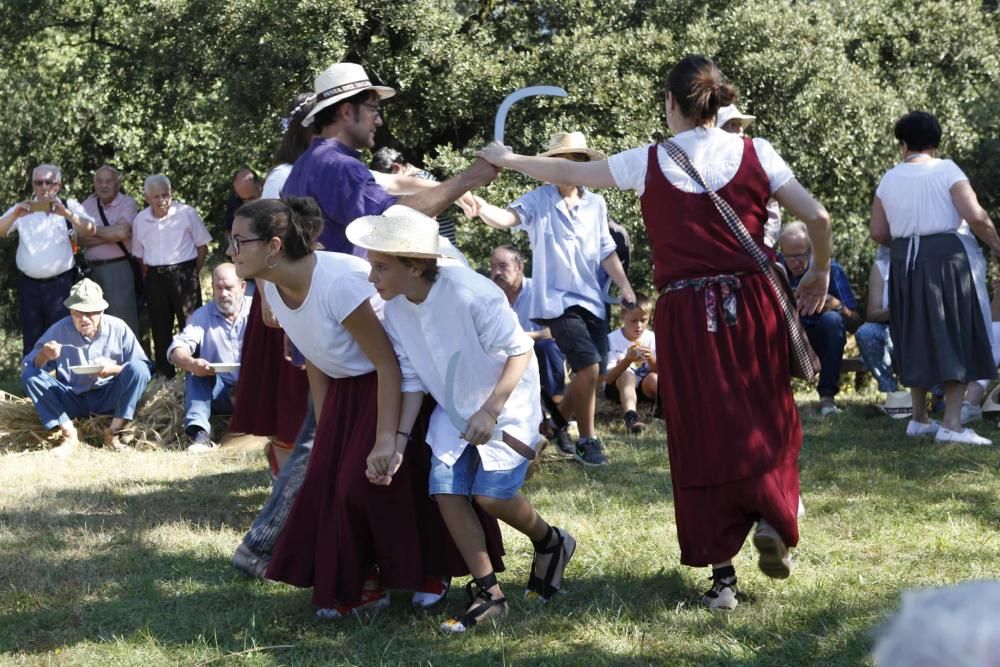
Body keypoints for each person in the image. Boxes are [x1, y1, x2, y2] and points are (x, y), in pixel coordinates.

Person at [478, 54, 834, 612]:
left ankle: (723, 579)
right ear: (718, 103)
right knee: (767, 414)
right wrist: (817, 272)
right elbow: (819, 219)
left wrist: (508, 158)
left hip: (690, 317)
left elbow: (566, 173)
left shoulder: (648, 161)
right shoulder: (755, 152)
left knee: (700, 435)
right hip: (752, 305)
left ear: (671, 103)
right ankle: (772, 511)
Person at [231, 196, 501, 618]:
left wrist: (386, 438)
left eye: (239, 241)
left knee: (378, 485)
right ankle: (364, 584)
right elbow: (316, 357)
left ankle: (435, 567)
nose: (231, 252)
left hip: (393, 384)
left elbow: (388, 363)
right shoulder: (274, 287)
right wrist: (326, 433)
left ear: (273, 246)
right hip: (345, 392)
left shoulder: (339, 283)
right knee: (332, 485)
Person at [347, 207, 575, 634]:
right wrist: (397, 441)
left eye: (380, 266)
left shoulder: (472, 292)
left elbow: (520, 351)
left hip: (506, 406)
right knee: (446, 490)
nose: (371, 277)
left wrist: (491, 409)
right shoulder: (395, 308)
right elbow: (412, 378)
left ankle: (552, 542)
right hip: (453, 412)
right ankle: (489, 593)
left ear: (414, 265)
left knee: (491, 497)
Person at [465, 131, 636, 467]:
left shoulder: (596, 204)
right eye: (561, 160)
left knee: (595, 373)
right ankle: (588, 439)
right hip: (556, 302)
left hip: (591, 301)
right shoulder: (540, 198)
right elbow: (505, 219)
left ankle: (553, 424)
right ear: (551, 164)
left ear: (583, 165)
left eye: (575, 161)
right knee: (587, 367)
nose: (568, 167)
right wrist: (477, 202)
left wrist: (626, 287)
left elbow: (607, 251)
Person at [869, 110, 1000, 446]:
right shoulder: (947, 170)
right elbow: (976, 216)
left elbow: (878, 231)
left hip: (904, 262)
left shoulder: (889, 177)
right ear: (936, 141)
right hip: (947, 260)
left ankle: (919, 418)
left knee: (917, 333)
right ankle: (952, 424)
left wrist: (908, 244)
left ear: (904, 145)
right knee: (954, 332)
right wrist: (997, 245)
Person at [229, 93, 316, 576]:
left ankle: (292, 498)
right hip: (283, 305)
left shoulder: (318, 169)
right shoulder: (284, 175)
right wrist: (268, 299)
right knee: (292, 411)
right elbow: (260, 244)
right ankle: (285, 497)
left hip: (308, 300)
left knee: (304, 409)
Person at [282, 61, 498, 255]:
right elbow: (393, 222)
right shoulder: (339, 166)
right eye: (373, 109)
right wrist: (469, 178)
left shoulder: (307, 163)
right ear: (347, 112)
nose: (379, 122)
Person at [20, 279, 152, 455]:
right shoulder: (59, 330)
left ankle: (113, 433)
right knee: (30, 375)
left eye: (90, 313)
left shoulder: (118, 328)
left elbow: (144, 367)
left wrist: (115, 369)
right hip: (72, 397)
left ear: (102, 311)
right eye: (77, 313)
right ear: (70, 311)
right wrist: (44, 355)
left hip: (110, 396)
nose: (83, 319)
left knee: (138, 369)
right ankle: (70, 434)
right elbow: (28, 366)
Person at [0, 164, 97, 355]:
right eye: (39, 182)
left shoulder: (69, 206)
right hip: (30, 286)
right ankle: (34, 382)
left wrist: (67, 214)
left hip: (61, 284)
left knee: (64, 336)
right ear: (33, 185)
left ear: (58, 185)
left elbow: (90, 229)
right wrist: (14, 215)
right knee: (32, 338)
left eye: (49, 182)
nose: (44, 187)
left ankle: (64, 381)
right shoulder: (22, 208)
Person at [778, 221, 862, 416]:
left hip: (820, 338)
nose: (794, 262)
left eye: (800, 255)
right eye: (788, 256)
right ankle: (777, 402)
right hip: (787, 337)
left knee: (832, 321)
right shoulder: (777, 270)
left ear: (812, 250)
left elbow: (856, 323)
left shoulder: (831, 270)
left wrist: (838, 307)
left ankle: (827, 400)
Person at [132, 174, 212, 378]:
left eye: (165, 195)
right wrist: (150, 277)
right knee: (160, 326)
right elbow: (139, 255)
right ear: (147, 198)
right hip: (155, 276)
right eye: (156, 196)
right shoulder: (140, 219)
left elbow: (202, 246)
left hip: (184, 274)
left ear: (171, 193)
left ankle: (195, 373)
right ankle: (165, 375)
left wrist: (192, 272)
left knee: (191, 324)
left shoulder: (187, 213)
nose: (162, 200)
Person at [167, 263, 250, 452]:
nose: (223, 294)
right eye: (218, 288)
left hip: (256, 389)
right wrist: (192, 363)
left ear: (243, 287)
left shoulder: (258, 310)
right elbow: (176, 349)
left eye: (228, 287)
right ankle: (199, 435)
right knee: (196, 372)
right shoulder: (202, 315)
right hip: (221, 392)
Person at [80, 165, 141, 335]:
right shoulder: (87, 204)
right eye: (99, 181)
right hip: (91, 272)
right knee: (94, 325)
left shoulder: (127, 203)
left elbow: (122, 233)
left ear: (117, 184)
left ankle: (129, 361)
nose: (104, 185)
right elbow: (76, 239)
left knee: (122, 323)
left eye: (108, 181)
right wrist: (110, 234)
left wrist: (91, 231)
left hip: (118, 269)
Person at [854, 246, 912, 418]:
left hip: (920, 331)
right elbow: (872, 314)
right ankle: (893, 395)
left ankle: (938, 397)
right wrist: (896, 308)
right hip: (890, 328)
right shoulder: (881, 266)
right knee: (866, 332)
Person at [716, 105, 781, 249]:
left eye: (740, 124)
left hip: (754, 255)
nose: (740, 129)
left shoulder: (757, 159)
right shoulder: (704, 164)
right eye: (733, 124)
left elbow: (771, 206)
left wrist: (766, 242)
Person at [603, 294, 658, 433]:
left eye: (643, 320)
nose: (639, 326)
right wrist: (627, 361)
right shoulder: (611, 340)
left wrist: (651, 358)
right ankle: (631, 417)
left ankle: (669, 409)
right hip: (618, 387)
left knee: (654, 378)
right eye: (633, 321)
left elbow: (660, 370)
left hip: (644, 388)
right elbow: (608, 378)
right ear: (623, 317)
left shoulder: (652, 338)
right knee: (628, 375)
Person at [223, 168, 262, 233]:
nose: (248, 203)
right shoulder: (233, 203)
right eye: (243, 199)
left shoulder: (274, 196)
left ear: (259, 185)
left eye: (251, 198)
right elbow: (230, 231)